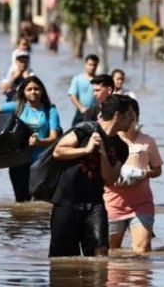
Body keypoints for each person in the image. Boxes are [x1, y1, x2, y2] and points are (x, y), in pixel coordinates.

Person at [49, 94, 134, 257]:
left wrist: (102, 153)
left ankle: (97, 283)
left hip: (95, 205)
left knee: (100, 255)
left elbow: (110, 179)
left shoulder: (122, 147)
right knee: (63, 260)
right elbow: (58, 151)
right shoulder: (85, 129)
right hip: (65, 203)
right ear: (118, 115)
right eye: (130, 114)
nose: (133, 119)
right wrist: (86, 150)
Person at [0, 75, 62, 202]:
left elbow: (54, 137)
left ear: (42, 91)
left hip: (41, 163)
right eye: (29, 89)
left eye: (36, 89)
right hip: (18, 161)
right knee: (21, 203)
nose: (33, 92)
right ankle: (21, 222)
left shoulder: (50, 110)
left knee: (41, 201)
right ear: (23, 92)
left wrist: (40, 142)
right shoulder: (18, 106)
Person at [104, 97, 163, 253]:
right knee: (111, 251)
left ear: (136, 116)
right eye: (126, 114)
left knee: (142, 249)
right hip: (112, 204)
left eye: (132, 114)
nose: (129, 118)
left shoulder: (147, 141)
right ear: (119, 116)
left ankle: (138, 277)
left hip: (141, 204)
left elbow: (157, 170)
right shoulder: (110, 140)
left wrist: (143, 174)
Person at [68, 54, 99, 126]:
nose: (92, 67)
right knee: (74, 132)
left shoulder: (99, 80)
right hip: (81, 112)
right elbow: (72, 95)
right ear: (85, 64)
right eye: (90, 64)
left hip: (95, 113)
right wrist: (81, 108)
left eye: (95, 65)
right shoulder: (77, 79)